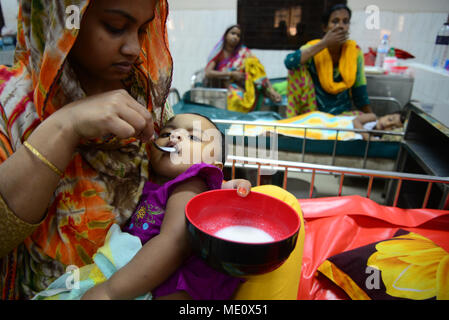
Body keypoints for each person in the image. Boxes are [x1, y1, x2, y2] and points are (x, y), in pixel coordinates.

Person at [0, 0, 250, 300]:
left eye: (143, 30)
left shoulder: (145, 96)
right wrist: (64, 127)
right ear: (62, 18)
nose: (133, 48)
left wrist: (213, 190)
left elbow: (174, 194)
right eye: (115, 26)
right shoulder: (11, 105)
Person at [32, 113, 249, 300]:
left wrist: (110, 291)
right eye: (166, 133)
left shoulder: (192, 182)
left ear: (213, 167)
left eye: (192, 136)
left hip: (169, 283)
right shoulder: (156, 184)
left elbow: (175, 241)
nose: (174, 136)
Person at [284, 4, 372, 117]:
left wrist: (373, 119)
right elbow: (289, 62)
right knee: (296, 67)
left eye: (345, 22)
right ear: (325, 27)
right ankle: (294, 122)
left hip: (342, 116)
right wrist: (324, 43)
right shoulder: (314, 48)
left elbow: (359, 92)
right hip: (313, 114)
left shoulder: (354, 52)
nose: (341, 26)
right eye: (335, 21)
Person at [205, 24, 282, 113]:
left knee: (252, 62)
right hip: (229, 86)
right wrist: (231, 74)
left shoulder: (243, 52)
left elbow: (258, 70)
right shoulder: (219, 53)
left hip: (247, 84)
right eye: (233, 33)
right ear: (226, 35)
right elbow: (208, 72)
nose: (235, 37)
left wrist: (270, 89)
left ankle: (270, 91)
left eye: (238, 35)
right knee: (236, 98)